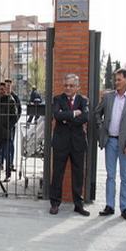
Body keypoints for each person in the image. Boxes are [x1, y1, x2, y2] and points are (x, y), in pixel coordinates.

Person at [95, 69, 126, 221]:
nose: (116, 82)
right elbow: (97, 113)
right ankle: (109, 205)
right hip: (110, 141)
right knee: (110, 175)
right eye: (115, 80)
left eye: (119, 80)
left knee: (125, 176)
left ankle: (125, 207)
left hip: (125, 144)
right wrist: (102, 126)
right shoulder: (108, 97)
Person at [49, 73, 90, 216]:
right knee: (57, 174)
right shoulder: (57, 99)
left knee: (78, 174)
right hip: (61, 143)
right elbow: (57, 116)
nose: (68, 88)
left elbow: (85, 117)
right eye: (66, 85)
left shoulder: (83, 100)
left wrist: (66, 117)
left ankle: (78, 204)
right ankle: (54, 203)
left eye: (71, 85)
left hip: (78, 143)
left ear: (77, 87)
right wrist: (73, 114)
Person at [4, 79, 21, 170]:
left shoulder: (15, 97)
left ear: (11, 86)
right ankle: (2, 163)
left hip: (11, 126)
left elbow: (19, 111)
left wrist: (14, 122)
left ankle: (10, 164)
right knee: (1, 145)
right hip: (1, 126)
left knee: (10, 144)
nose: (7, 88)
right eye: (6, 86)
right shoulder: (1, 96)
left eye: (9, 86)